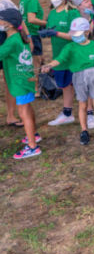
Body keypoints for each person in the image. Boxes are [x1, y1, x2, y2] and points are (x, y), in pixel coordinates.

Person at [41, 17, 94, 146]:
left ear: (87, 32)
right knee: (82, 105)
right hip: (79, 77)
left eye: (77, 34)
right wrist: (50, 65)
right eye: (73, 34)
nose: (74, 37)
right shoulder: (70, 47)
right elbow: (59, 59)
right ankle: (84, 130)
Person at [0, 8, 41, 159]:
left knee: (23, 113)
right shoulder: (20, 37)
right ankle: (34, 135)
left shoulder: (11, 42)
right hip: (26, 79)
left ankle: (32, 147)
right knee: (28, 109)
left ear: (9, 24)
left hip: (19, 82)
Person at [40, 0, 81, 127]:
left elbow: (75, 36)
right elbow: (51, 28)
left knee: (78, 84)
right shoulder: (52, 13)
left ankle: (89, 113)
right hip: (58, 56)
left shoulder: (72, 13)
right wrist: (46, 33)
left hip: (72, 56)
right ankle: (67, 113)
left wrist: (56, 33)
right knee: (64, 85)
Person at [0, 0, 25, 127]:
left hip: (3, 39)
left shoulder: (4, 1)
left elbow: (18, 17)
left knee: (8, 77)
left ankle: (11, 115)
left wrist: (27, 36)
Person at [19, 0, 47, 95]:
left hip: (24, 33)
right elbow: (31, 19)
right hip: (32, 34)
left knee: (34, 60)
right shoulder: (32, 0)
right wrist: (48, 23)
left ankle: (33, 85)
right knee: (36, 61)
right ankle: (36, 88)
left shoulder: (23, 0)